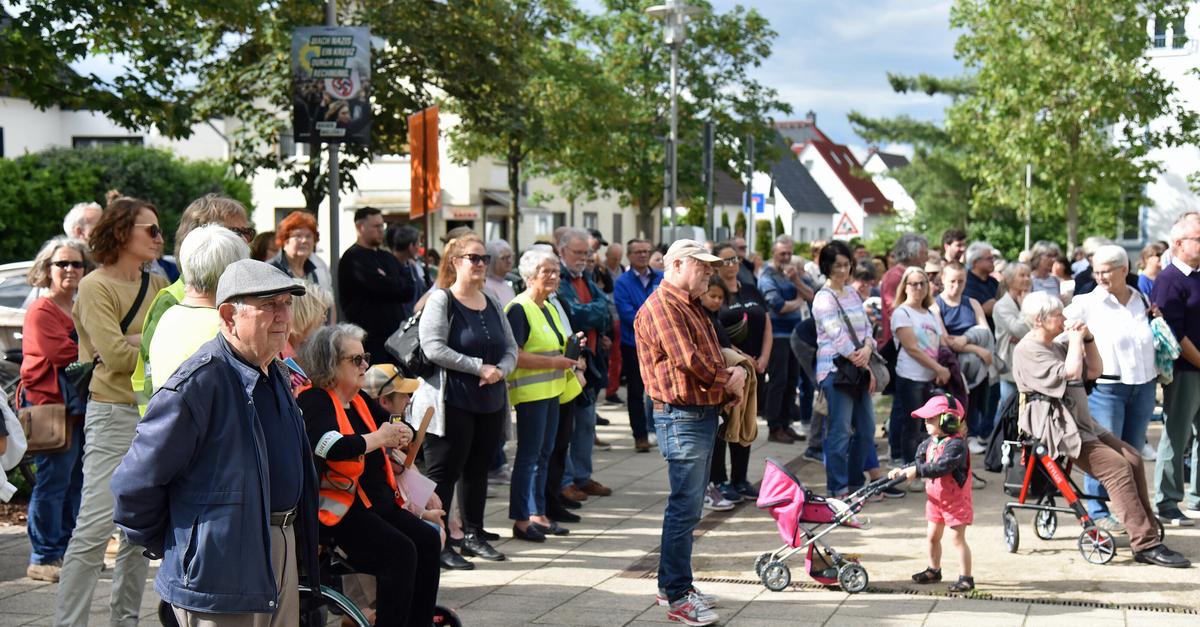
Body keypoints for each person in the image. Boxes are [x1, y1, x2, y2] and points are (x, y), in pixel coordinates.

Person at [112, 259, 324, 624]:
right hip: (221, 567)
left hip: (279, 548)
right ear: (228, 316)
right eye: (269, 305)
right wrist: (185, 545)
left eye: (287, 304)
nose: (283, 317)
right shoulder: (200, 382)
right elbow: (134, 483)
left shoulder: (274, 370)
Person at [55, 195, 169, 626]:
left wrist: (135, 344)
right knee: (93, 528)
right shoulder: (94, 285)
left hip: (153, 414)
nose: (159, 238)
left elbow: (154, 349)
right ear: (123, 233)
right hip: (113, 413)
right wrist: (146, 342)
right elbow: (119, 358)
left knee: (140, 535)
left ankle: (125, 621)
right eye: (151, 230)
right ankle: (69, 623)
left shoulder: (157, 285)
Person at [1012, 292, 1190, 567]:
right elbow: (1071, 373)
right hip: (1057, 426)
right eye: (1058, 315)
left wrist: (1088, 339)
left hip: (1081, 421)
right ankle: (1144, 543)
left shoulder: (1054, 344)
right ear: (1039, 320)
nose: (1065, 319)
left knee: (1131, 457)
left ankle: (1146, 526)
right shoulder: (1028, 349)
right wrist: (1073, 339)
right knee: (1116, 467)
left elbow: (1094, 370)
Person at [298, 324, 442, 626]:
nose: (365, 365)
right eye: (355, 360)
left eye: (365, 357)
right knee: (400, 554)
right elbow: (327, 446)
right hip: (340, 515)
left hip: (377, 505)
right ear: (329, 364)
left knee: (427, 541)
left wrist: (403, 434)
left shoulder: (360, 400)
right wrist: (380, 438)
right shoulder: (315, 400)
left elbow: (393, 428)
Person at [635, 240, 745, 627]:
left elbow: (709, 354)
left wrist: (731, 377)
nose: (709, 274)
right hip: (682, 416)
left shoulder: (690, 304)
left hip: (696, 413)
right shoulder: (664, 306)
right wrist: (728, 381)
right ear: (678, 264)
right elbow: (689, 361)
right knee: (684, 508)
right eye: (702, 267)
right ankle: (677, 595)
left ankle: (675, 586)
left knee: (688, 507)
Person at [411, 233, 518, 569]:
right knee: (444, 473)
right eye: (474, 258)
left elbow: (512, 348)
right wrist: (477, 367)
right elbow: (432, 347)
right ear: (455, 262)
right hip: (450, 400)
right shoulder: (441, 300)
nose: (481, 264)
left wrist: (500, 370)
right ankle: (439, 539)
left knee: (478, 471)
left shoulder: (493, 302)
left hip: (488, 399)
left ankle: (473, 534)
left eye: (484, 258)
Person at [1062, 245, 1159, 532]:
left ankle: (1129, 510)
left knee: (1132, 454)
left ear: (1124, 270)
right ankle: (1097, 508)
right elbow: (1057, 325)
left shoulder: (1140, 298)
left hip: (1142, 385)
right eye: (1097, 271)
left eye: (1106, 271)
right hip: (1107, 388)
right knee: (1103, 454)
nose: (1101, 277)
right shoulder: (1087, 302)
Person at [132, 194, 254, 415]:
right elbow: (151, 379)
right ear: (200, 237)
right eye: (236, 233)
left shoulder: (234, 292)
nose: (245, 241)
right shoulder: (170, 300)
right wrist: (156, 425)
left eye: (248, 232)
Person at [19, 237, 93, 582]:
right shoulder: (41, 310)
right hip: (50, 408)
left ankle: (63, 553)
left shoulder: (79, 306)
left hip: (77, 409)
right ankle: (43, 557)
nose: (69, 270)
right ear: (46, 270)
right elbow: (68, 354)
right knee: (52, 483)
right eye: (61, 264)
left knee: (75, 483)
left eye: (76, 264)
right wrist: (94, 346)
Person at [505, 249, 584, 542]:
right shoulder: (519, 308)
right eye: (546, 271)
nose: (553, 277)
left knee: (544, 454)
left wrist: (573, 348)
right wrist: (556, 362)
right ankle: (523, 517)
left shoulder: (548, 306)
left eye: (556, 271)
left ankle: (538, 512)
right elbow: (514, 355)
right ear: (529, 275)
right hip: (530, 392)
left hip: (552, 390)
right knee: (529, 456)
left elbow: (555, 344)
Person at [811, 241, 878, 498]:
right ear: (827, 267)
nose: (842, 269)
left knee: (866, 429)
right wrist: (857, 356)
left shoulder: (851, 293)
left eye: (846, 264)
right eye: (837, 265)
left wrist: (868, 351)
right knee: (839, 432)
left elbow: (867, 328)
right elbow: (836, 334)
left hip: (858, 369)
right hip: (835, 371)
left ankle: (854, 483)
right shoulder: (823, 298)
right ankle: (837, 488)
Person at [890, 394, 975, 592]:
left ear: (949, 420)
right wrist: (904, 471)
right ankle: (934, 570)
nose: (926, 423)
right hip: (935, 500)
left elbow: (942, 467)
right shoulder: (929, 442)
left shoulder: (956, 445)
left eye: (931, 419)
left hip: (955, 501)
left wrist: (918, 472)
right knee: (932, 537)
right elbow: (919, 462)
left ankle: (966, 578)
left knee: (956, 539)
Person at [556, 228, 613, 502]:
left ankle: (582, 476)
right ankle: (565, 481)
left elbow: (604, 307)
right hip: (568, 363)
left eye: (586, 254)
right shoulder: (559, 278)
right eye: (578, 253)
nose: (583, 258)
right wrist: (594, 314)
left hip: (589, 362)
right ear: (562, 250)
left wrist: (593, 314)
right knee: (566, 428)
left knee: (587, 425)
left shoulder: (585, 278)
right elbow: (572, 313)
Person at [1150, 213, 1200, 527]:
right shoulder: (1169, 280)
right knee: (1176, 434)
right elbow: (1173, 332)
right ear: (1179, 243)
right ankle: (1167, 501)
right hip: (1185, 369)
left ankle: (1197, 497)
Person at [710, 242, 770, 502]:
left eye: (734, 259)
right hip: (730, 368)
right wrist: (743, 357)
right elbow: (715, 332)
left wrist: (764, 357)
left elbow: (767, 324)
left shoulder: (751, 290)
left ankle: (740, 478)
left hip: (756, 368)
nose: (731, 264)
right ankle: (719, 480)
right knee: (725, 424)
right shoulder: (714, 294)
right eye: (725, 260)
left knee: (746, 421)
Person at [890, 267, 950, 466]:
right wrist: (939, 368)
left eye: (922, 283)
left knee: (929, 427)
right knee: (912, 426)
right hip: (910, 376)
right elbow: (912, 348)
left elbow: (939, 344)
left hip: (929, 377)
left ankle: (924, 465)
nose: (918, 288)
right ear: (905, 287)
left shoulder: (930, 313)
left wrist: (941, 368)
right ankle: (909, 466)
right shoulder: (902, 313)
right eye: (913, 283)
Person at [339, 207, 415, 365]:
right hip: (369, 342)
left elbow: (408, 290)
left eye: (383, 226)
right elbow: (381, 287)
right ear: (361, 227)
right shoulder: (352, 258)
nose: (382, 231)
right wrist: (390, 282)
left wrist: (388, 280)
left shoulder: (387, 257)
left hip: (396, 340)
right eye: (377, 226)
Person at [932, 263, 994, 454]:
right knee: (954, 403)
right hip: (953, 363)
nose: (956, 286)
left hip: (975, 363)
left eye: (961, 281)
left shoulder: (972, 303)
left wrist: (966, 339)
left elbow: (985, 333)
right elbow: (945, 340)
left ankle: (972, 434)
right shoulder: (935, 305)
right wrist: (976, 349)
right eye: (952, 281)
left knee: (976, 401)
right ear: (942, 279)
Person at [758, 236, 814, 444]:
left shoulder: (793, 273)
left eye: (789, 253)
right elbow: (778, 306)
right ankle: (774, 427)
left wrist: (796, 281)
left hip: (795, 336)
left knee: (792, 382)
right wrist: (799, 300)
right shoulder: (767, 276)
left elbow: (813, 295)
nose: (787, 257)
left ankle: (786, 422)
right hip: (777, 336)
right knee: (778, 382)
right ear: (774, 253)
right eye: (782, 253)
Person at [613, 238, 663, 452]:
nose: (643, 255)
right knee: (636, 391)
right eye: (638, 252)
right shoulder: (622, 282)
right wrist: (653, 324)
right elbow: (627, 314)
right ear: (629, 256)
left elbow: (666, 306)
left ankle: (661, 432)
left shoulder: (661, 278)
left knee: (661, 391)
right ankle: (640, 436)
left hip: (660, 344)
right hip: (633, 344)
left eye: (646, 251)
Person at [991, 262, 1032, 432]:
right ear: (1008, 280)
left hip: (1027, 363)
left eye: (1028, 275)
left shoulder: (1029, 300)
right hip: (1009, 363)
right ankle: (998, 442)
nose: (1026, 279)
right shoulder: (1001, 306)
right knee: (1007, 406)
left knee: (1025, 408)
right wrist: (1026, 310)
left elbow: (1039, 327)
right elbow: (1019, 329)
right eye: (1021, 275)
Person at [387, 224, 432, 318]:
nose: (419, 247)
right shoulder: (389, 266)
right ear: (411, 246)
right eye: (418, 244)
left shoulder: (411, 266)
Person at [483, 239, 518, 307]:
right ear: (492, 261)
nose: (509, 261)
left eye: (509, 256)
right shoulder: (486, 286)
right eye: (503, 258)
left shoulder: (506, 285)